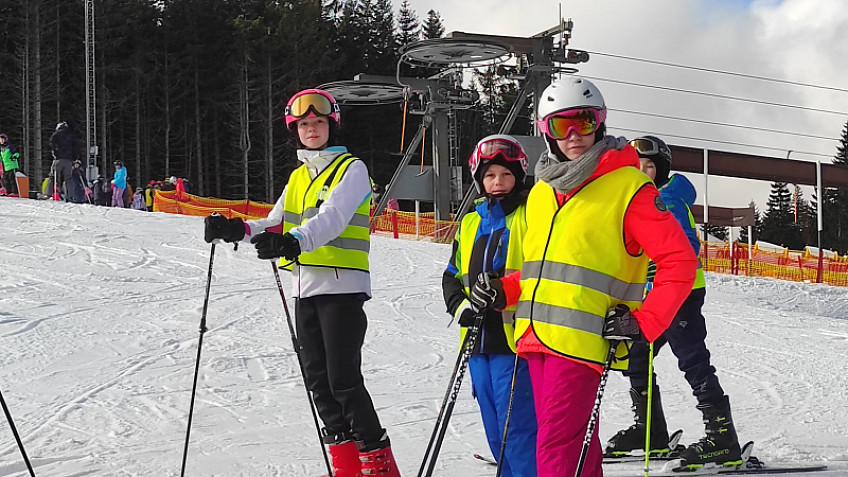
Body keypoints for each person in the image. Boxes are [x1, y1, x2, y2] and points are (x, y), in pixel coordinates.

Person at [467, 77, 697, 477]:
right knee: (575, 445)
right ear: (547, 131)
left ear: (599, 123)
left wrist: (645, 322)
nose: (573, 134)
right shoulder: (542, 192)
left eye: (584, 121)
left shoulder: (629, 187)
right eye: (561, 125)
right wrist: (504, 290)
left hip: (582, 341)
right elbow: (545, 270)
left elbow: (679, 261)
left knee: (555, 447)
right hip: (534, 338)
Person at [203, 88, 401, 477]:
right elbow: (276, 222)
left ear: (332, 125)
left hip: (341, 287)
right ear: (295, 130)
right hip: (305, 288)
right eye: (304, 124)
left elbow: (333, 218)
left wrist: (294, 242)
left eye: (319, 122)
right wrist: (236, 229)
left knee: (343, 381)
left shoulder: (352, 169)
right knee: (319, 383)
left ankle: (379, 466)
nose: (312, 129)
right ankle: (347, 467)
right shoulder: (299, 176)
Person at [604, 136, 741, 469]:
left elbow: (684, 248)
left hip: (681, 294)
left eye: (649, 166)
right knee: (636, 357)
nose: (642, 171)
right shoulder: (640, 199)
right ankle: (650, 432)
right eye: (636, 166)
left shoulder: (666, 199)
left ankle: (722, 437)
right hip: (652, 298)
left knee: (692, 359)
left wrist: (657, 267)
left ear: (662, 170)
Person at [442, 134, 537, 477]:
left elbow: (542, 270)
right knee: (495, 430)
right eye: (490, 175)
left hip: (515, 340)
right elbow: (452, 275)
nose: (498, 182)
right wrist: (461, 308)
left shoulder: (529, 216)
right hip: (477, 342)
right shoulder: (471, 222)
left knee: (519, 429)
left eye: (506, 174)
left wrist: (506, 291)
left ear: (518, 177)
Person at [50, 121, 75, 200]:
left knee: (54, 176)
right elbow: (75, 147)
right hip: (68, 160)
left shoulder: (56, 134)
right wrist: (74, 158)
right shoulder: (70, 135)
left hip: (58, 159)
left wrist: (55, 152)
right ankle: (70, 196)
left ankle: (52, 193)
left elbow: (52, 143)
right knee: (68, 178)